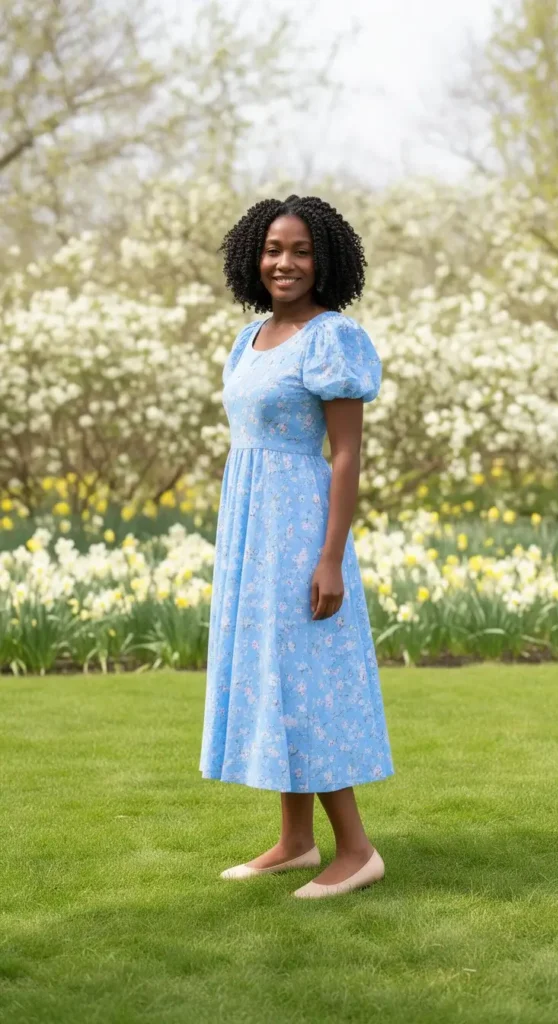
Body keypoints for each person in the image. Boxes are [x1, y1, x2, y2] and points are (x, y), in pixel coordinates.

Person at [199, 194, 394, 898]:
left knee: (307, 681)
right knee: (272, 674)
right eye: (274, 249)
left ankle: (356, 849)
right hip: (250, 523)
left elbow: (344, 456)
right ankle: (295, 840)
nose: (285, 263)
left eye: (301, 251)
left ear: (326, 261)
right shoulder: (246, 340)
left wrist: (329, 556)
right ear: (254, 256)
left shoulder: (332, 338)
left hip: (300, 525)